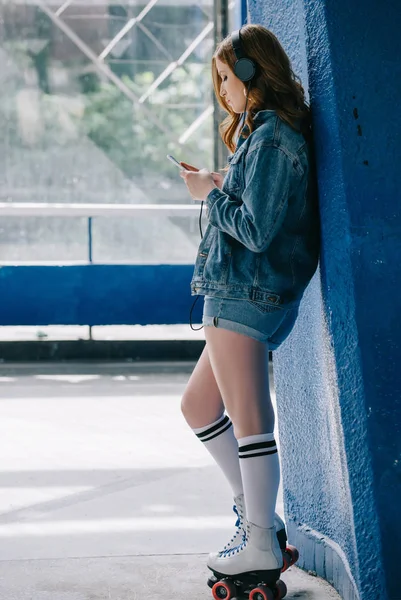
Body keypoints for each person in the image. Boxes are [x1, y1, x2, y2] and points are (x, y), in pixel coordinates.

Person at [179, 24, 320, 585]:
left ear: (251, 75)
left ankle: (261, 538)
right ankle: (256, 517)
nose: (222, 90)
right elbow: (258, 210)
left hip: (246, 293)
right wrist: (219, 182)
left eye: (225, 77)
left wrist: (210, 194)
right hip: (235, 292)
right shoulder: (264, 136)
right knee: (198, 407)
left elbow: (257, 232)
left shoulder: (272, 139)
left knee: (250, 420)